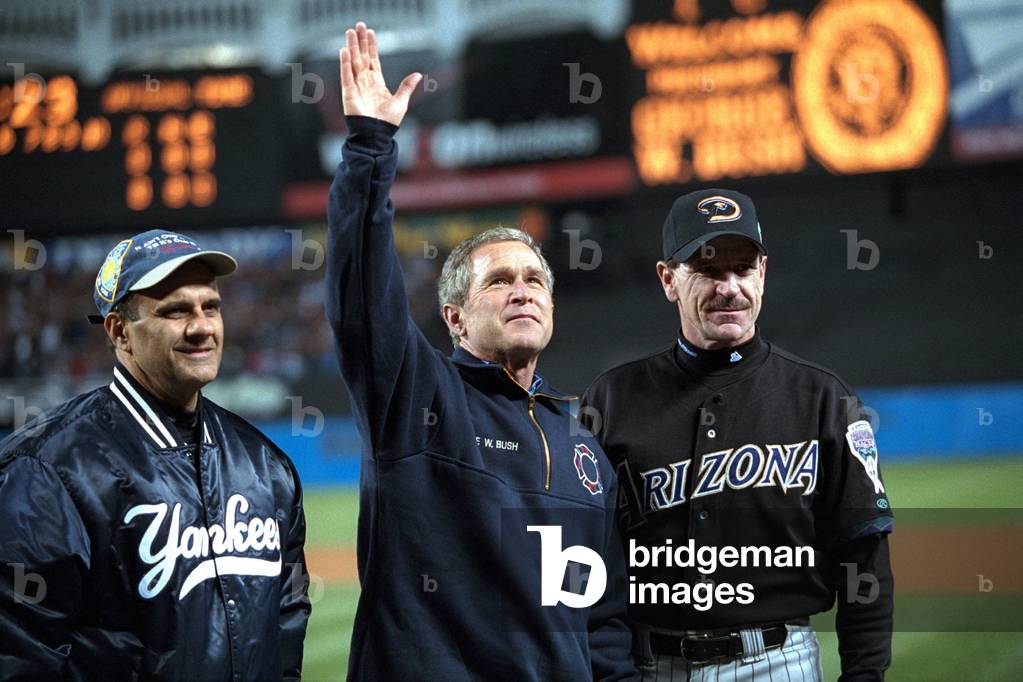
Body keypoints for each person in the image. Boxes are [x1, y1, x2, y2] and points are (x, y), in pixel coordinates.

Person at [326, 22, 636, 680]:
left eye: (533, 281)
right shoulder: (418, 401)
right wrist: (370, 147)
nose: (521, 292)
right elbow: (361, 298)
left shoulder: (583, 448)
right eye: (497, 281)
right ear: (454, 318)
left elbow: (605, 621)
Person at [581, 189, 894, 681]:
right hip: (651, 666)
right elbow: (585, 559)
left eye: (743, 269)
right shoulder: (611, 399)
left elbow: (865, 560)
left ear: (762, 274)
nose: (729, 287)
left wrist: (864, 676)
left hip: (777, 662)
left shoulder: (823, 399)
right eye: (707, 270)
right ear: (668, 279)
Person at [0, 230, 310, 680]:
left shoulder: (264, 464)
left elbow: (286, 618)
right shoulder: (47, 470)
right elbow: (20, 655)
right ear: (120, 332)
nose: (202, 326)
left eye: (211, 307)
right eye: (175, 310)